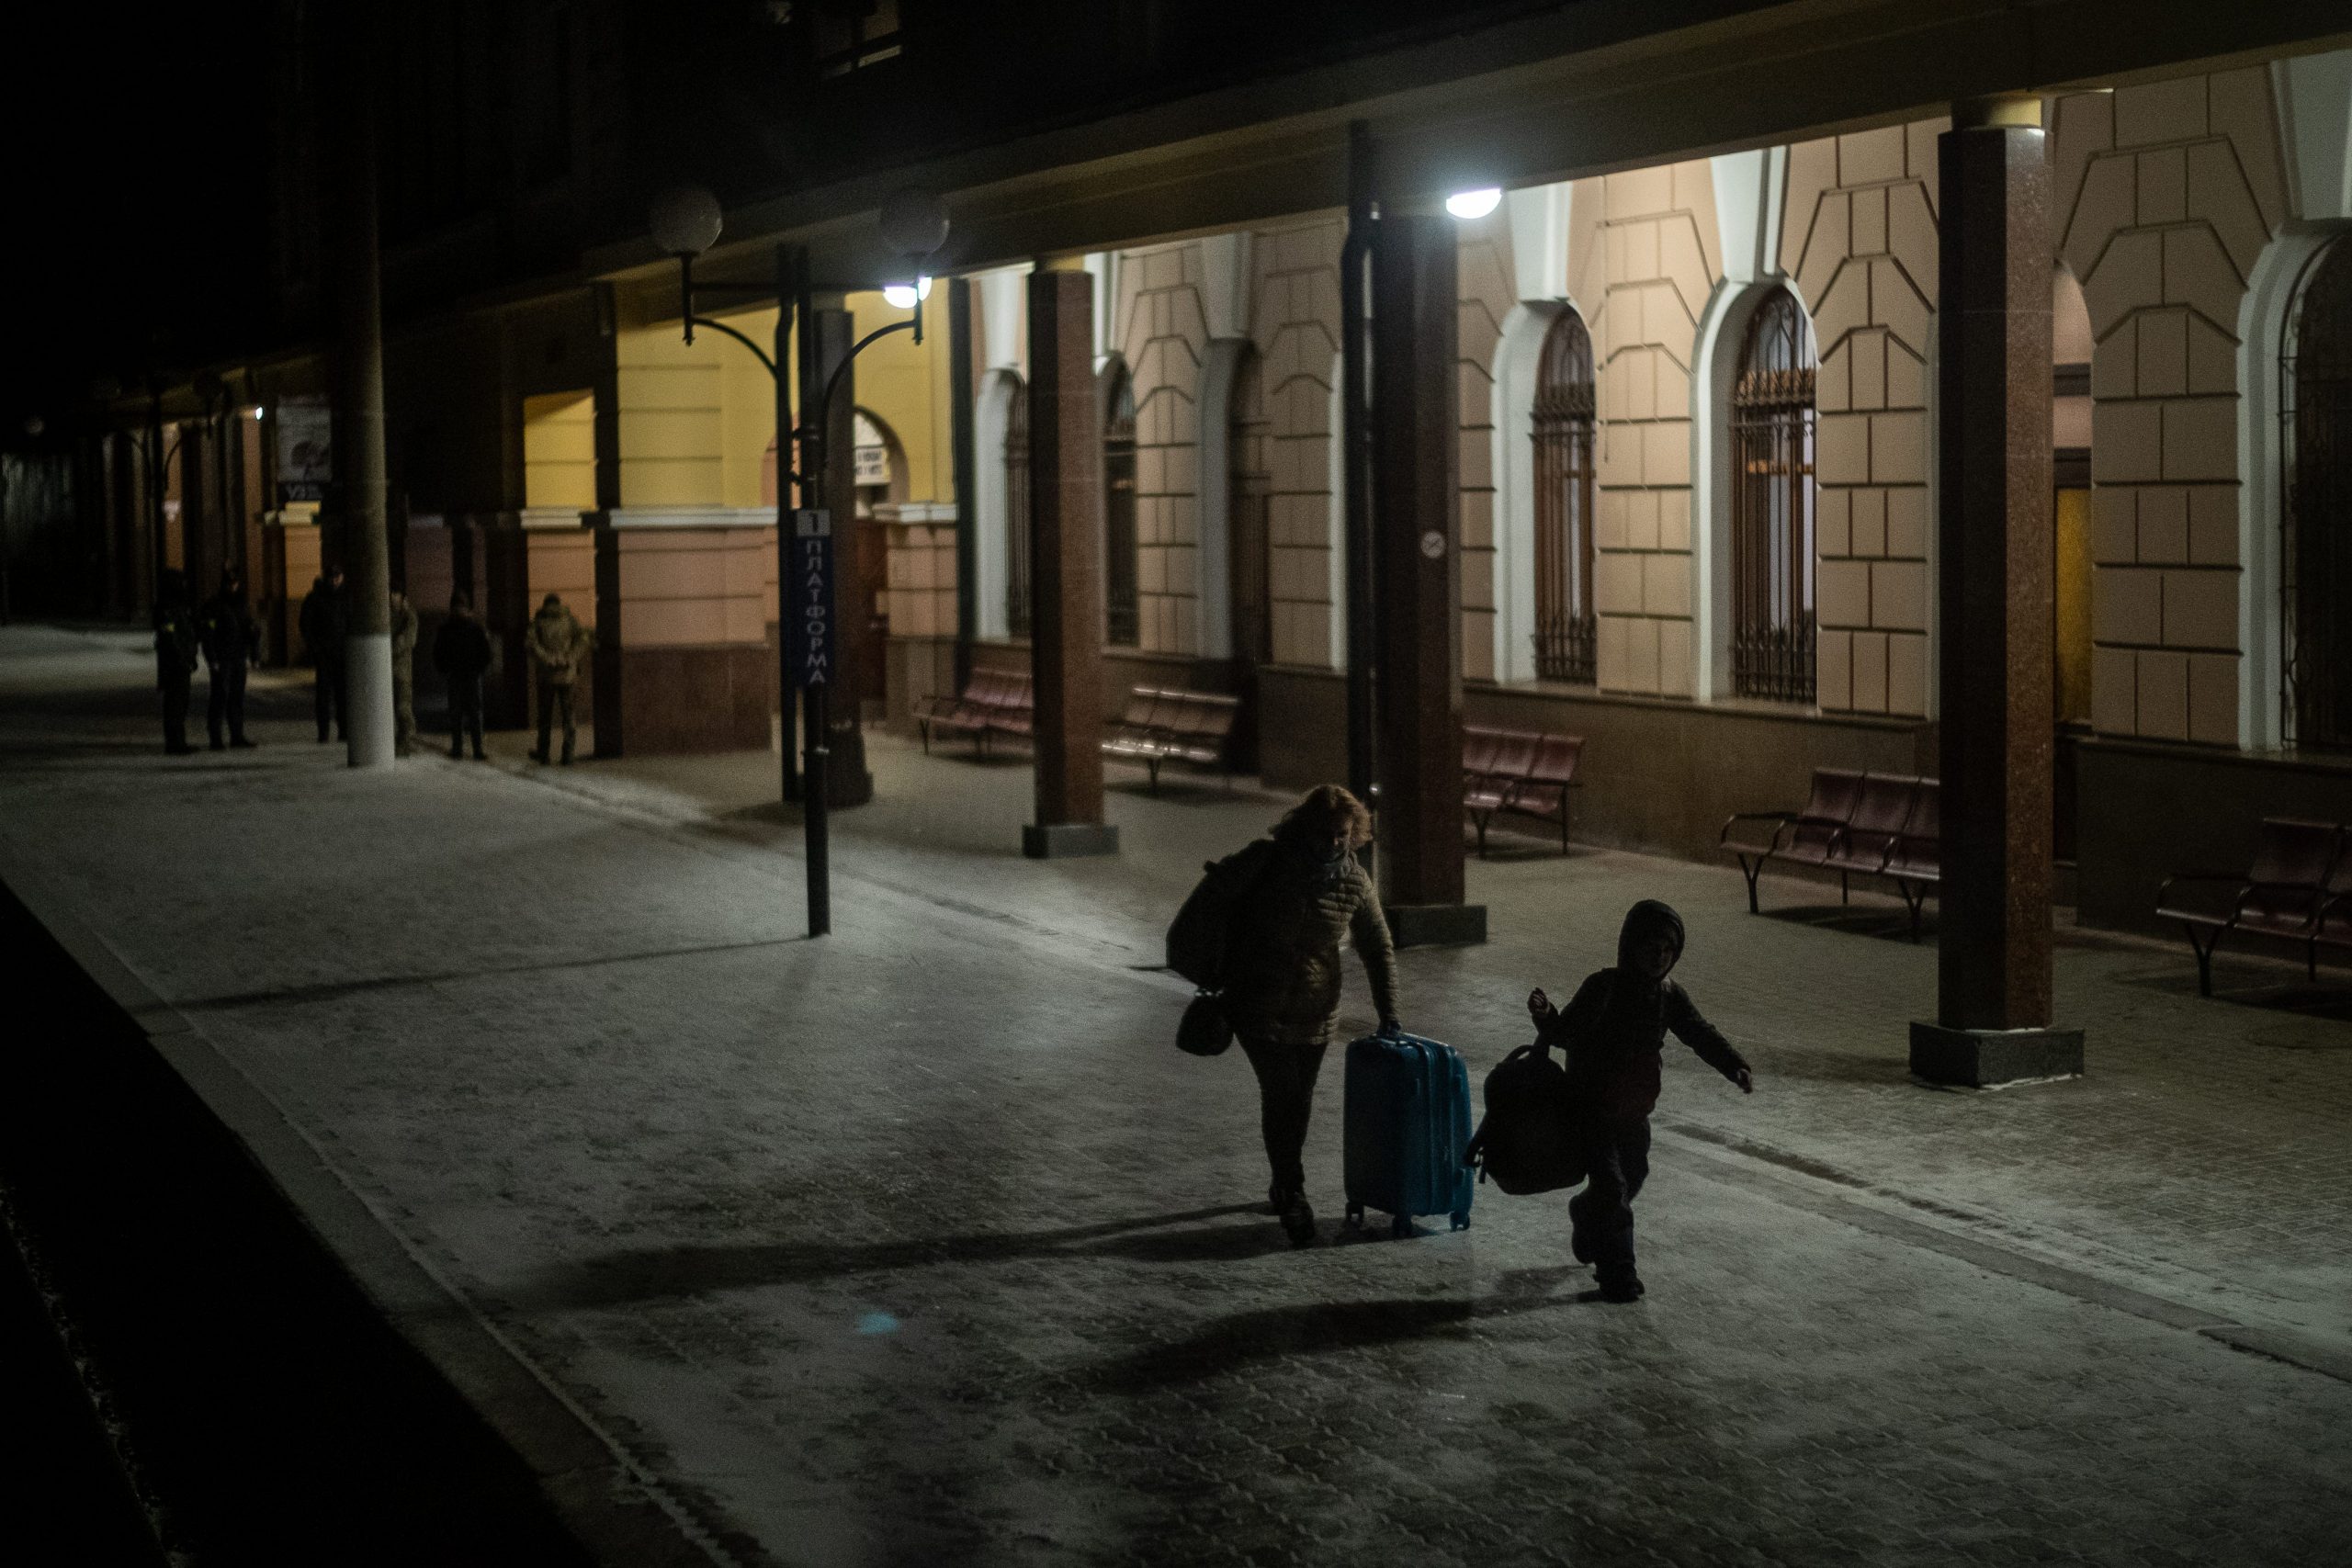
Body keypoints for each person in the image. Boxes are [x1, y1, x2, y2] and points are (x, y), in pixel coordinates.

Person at [1530, 900, 1753, 1303]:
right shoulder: (1603, 986)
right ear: (1630, 945)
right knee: (1613, 1188)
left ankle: (1587, 1214)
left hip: (1634, 1111)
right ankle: (1618, 1274)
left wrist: (1733, 1065)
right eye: (1651, 946)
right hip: (1592, 1108)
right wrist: (1546, 1016)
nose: (1659, 956)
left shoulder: (1669, 995)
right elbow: (1566, 1033)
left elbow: (1699, 1032)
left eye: (1668, 949)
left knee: (1633, 1174)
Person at [1217, 784, 1400, 1247]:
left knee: (1297, 1098)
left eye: (1342, 835)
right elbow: (1219, 906)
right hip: (1257, 1003)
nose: (1333, 843)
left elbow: (1378, 948)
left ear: (1354, 833)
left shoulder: (1355, 881)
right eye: (1325, 833)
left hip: (1316, 1011)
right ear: (1305, 828)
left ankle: (1283, 1180)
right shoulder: (1269, 864)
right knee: (1282, 1092)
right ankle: (1294, 1191)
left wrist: (1389, 1013)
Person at [198, 569, 262, 750]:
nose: (232, 586)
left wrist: (255, 656)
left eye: (234, 583)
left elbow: (251, 632)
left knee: (236, 698)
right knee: (219, 697)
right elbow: (207, 634)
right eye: (229, 583)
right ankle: (215, 738)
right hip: (223, 657)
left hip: (238, 657)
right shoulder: (215, 605)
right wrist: (212, 658)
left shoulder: (242, 605)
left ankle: (237, 735)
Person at [526, 592, 589, 764]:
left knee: (545, 716)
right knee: (569, 716)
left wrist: (547, 659)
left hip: (547, 676)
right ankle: (568, 754)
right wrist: (570, 658)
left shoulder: (539, 621)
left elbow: (531, 644)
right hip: (567, 676)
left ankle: (544, 753)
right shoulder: (570, 620)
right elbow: (583, 640)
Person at [433, 592, 492, 760]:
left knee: (458, 713)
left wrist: (445, 670)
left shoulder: (447, 628)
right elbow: (486, 652)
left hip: (459, 676)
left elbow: (438, 652)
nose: (459, 610)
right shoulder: (475, 627)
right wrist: (479, 669)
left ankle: (459, 748)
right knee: (472, 713)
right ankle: (476, 749)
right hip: (469, 675)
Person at [152, 570, 200, 756]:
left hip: (182, 662)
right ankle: (174, 743)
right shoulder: (167, 609)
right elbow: (170, 638)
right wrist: (182, 659)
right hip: (174, 665)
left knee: (181, 703)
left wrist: (191, 657)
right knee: (174, 704)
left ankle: (179, 740)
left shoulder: (178, 607)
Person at [299, 567, 349, 743]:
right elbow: (306, 625)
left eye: (338, 577)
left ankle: (344, 730)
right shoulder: (316, 598)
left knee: (343, 695)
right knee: (323, 696)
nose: (335, 581)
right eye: (332, 577)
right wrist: (315, 649)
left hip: (342, 655)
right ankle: (324, 732)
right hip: (324, 655)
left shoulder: (346, 597)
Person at [389, 589, 420, 758]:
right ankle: (397, 742)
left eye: (395, 594)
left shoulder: (409, 617)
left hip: (402, 670)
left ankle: (406, 741)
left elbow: (407, 641)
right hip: (389, 670)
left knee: (403, 708)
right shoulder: (386, 614)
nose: (392, 598)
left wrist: (387, 648)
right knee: (390, 709)